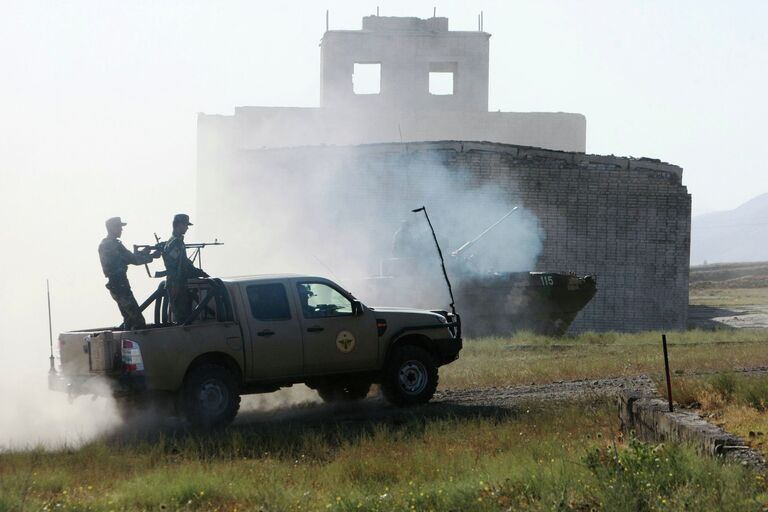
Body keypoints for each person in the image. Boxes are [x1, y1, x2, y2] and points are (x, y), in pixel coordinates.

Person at [98, 217, 159, 329]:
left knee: (129, 319)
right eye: (119, 227)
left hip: (116, 285)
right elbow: (132, 259)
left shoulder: (107, 244)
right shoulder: (112, 245)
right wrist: (151, 256)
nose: (121, 229)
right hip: (120, 285)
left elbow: (128, 257)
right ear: (112, 228)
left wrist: (143, 254)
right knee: (138, 320)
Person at [162, 213, 208, 323]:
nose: (187, 228)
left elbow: (183, 262)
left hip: (178, 283)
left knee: (184, 315)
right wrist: (194, 272)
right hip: (176, 284)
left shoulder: (177, 241)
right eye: (185, 225)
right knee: (182, 318)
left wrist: (196, 271)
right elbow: (175, 264)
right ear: (178, 225)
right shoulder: (176, 242)